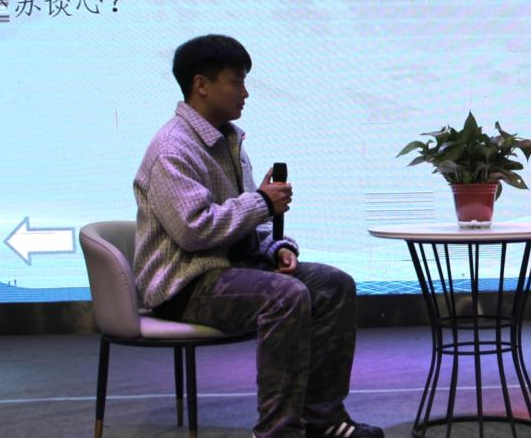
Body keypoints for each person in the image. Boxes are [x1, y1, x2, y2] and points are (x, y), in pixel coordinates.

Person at [133, 34, 383, 438]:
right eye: (236, 81)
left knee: (333, 285)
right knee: (285, 296)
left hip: (232, 271)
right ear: (201, 85)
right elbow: (194, 230)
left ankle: (323, 420)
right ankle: (277, 431)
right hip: (184, 284)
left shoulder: (229, 140)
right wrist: (263, 202)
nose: (245, 93)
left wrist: (277, 248)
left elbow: (248, 222)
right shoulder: (172, 149)